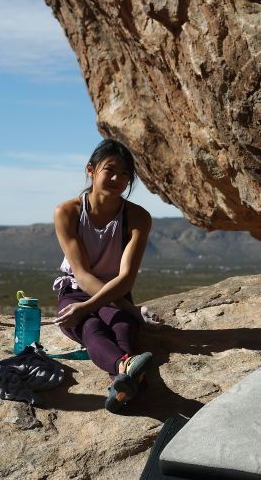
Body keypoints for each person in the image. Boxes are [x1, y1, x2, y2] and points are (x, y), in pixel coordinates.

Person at [52, 138, 159, 412]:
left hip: (115, 291)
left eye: (125, 174)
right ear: (91, 169)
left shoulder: (137, 217)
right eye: (109, 170)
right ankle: (127, 368)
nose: (117, 179)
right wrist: (119, 308)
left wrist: (121, 307)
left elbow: (125, 279)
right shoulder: (68, 212)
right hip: (76, 289)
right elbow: (82, 273)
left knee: (122, 327)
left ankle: (121, 384)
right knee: (90, 326)